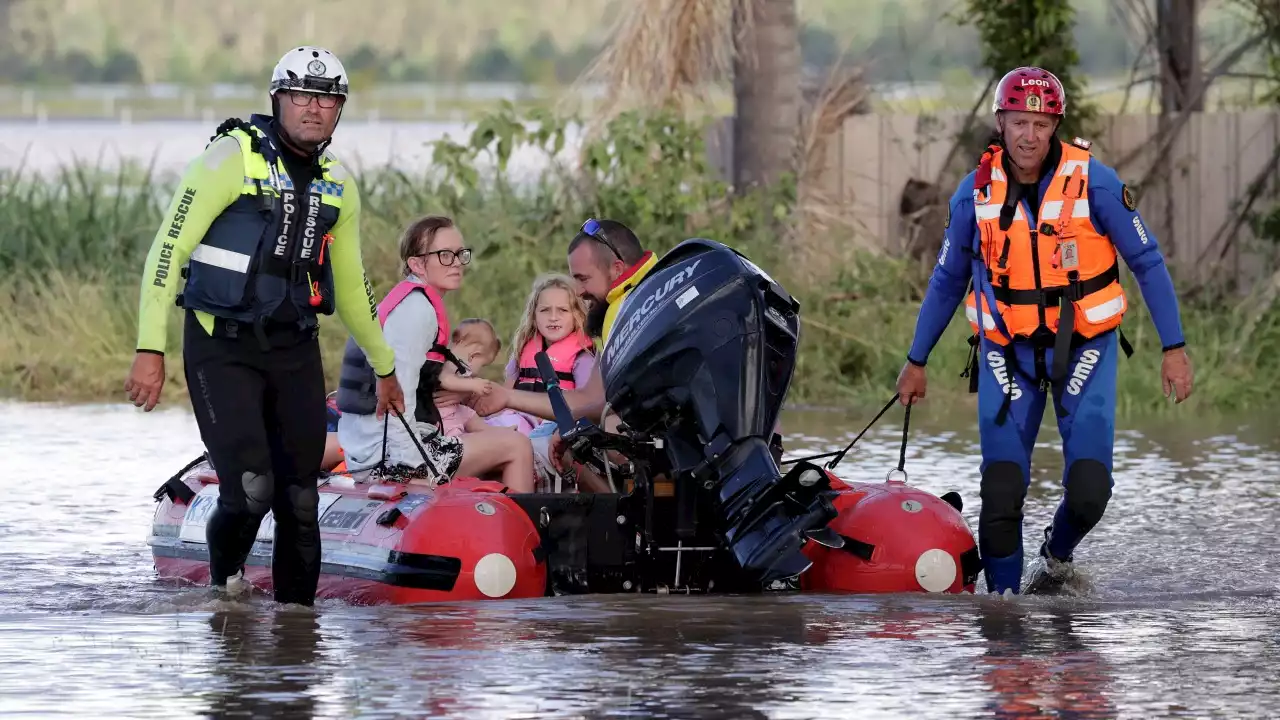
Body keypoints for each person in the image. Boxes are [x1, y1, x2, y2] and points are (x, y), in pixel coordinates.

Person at [894, 66, 1195, 595]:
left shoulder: (1094, 182)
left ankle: (1055, 559)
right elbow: (946, 280)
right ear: (1000, 123)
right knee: (1002, 492)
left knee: (1089, 492)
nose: (1028, 135)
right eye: (1018, 122)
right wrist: (917, 361)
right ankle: (1004, 624)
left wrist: (1174, 348)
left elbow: (1147, 260)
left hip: (1085, 347)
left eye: (1040, 123)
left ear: (1054, 125)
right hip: (1006, 353)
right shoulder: (975, 195)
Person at [122, 46, 405, 606]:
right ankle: (225, 589)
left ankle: (298, 635)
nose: (314, 108)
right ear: (277, 99)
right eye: (301, 95)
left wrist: (385, 365)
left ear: (339, 111)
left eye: (327, 99)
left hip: (293, 350)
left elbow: (352, 287)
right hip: (219, 347)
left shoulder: (338, 185)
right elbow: (165, 252)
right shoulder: (230, 159)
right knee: (251, 489)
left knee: (300, 499)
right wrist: (148, 348)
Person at [335, 215, 535, 493]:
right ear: (416, 263)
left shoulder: (408, 300)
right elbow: (397, 393)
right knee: (517, 445)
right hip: (388, 458)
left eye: (459, 254)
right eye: (444, 255)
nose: (456, 263)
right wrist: (410, 469)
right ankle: (519, 534)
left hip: (374, 449)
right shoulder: (417, 310)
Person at [486, 273, 597, 436]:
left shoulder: (583, 357)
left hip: (553, 428)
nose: (553, 317)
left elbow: (589, 405)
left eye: (563, 310)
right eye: (545, 310)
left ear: (577, 315)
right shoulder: (522, 350)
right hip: (516, 422)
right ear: (534, 315)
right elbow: (504, 397)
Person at [436, 318, 504, 438]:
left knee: (469, 415)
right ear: (474, 356)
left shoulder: (458, 362)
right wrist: (473, 385)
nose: (479, 371)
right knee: (454, 430)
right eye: (482, 364)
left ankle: (494, 432)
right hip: (442, 414)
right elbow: (444, 379)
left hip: (454, 409)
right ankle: (463, 442)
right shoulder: (449, 361)